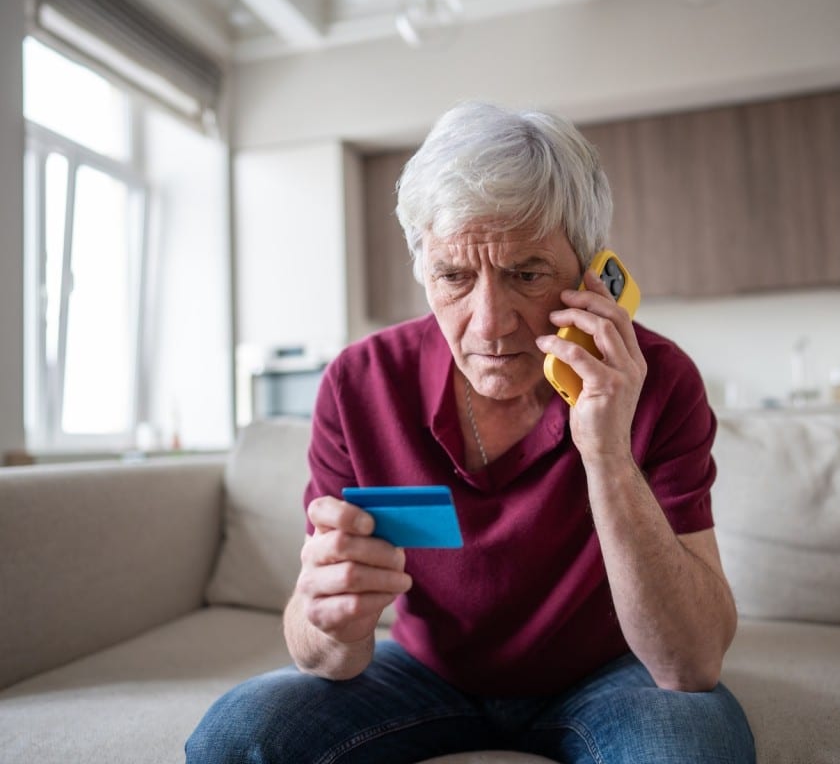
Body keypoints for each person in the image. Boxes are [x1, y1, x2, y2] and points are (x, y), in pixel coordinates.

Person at [187, 101, 755, 763]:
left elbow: (690, 666)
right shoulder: (358, 382)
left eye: (527, 274)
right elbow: (318, 648)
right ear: (423, 269)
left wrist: (604, 450)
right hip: (426, 672)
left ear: (592, 277)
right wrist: (329, 628)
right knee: (236, 739)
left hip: (609, 673)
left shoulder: (662, 380)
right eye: (453, 276)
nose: (488, 323)